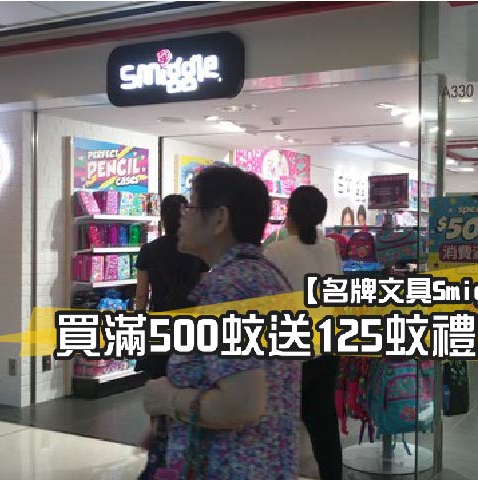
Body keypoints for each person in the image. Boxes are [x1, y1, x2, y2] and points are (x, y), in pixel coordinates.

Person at [142, 166, 300, 480]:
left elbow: (241, 404)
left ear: (219, 219)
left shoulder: (229, 289)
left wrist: (169, 399)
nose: (182, 217)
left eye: (190, 207)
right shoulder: (266, 276)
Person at [264, 185, 343, 480]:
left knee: (282, 428)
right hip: (326, 348)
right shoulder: (330, 248)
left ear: (290, 213)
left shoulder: (275, 251)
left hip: (290, 353)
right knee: (325, 428)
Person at [134, 194, 207, 480]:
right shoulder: (196, 252)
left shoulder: (149, 251)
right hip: (189, 327)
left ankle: (158, 452)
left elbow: (142, 295)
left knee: (158, 387)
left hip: (158, 325)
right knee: (185, 388)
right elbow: (204, 292)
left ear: (162, 218)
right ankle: (182, 457)